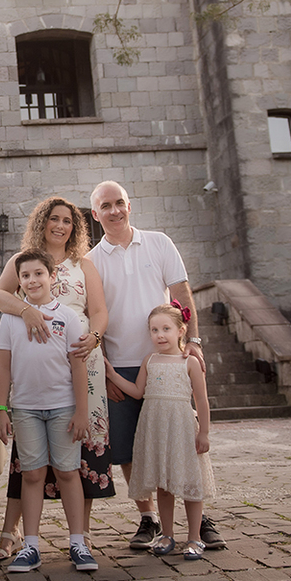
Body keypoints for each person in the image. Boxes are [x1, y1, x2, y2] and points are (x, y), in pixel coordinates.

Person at [85, 180, 225, 551]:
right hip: (122, 367)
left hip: (169, 363)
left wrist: (193, 341)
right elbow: (92, 315)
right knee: (131, 450)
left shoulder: (160, 243)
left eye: (119, 203)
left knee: (182, 444)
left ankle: (198, 519)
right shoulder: (91, 261)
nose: (114, 210)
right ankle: (149, 518)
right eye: (105, 206)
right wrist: (105, 370)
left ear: (129, 206)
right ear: (95, 214)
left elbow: (181, 294)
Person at [0, 197, 112, 561]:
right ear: (42, 222)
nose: (60, 226)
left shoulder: (83, 264)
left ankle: (80, 536)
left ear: (75, 227)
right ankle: (16, 534)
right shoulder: (24, 261)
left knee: (79, 453)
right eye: (54, 219)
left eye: (67, 221)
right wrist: (27, 311)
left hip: (81, 358)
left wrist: (95, 338)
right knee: (29, 460)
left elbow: (99, 311)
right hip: (32, 364)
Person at [105, 302, 216, 560]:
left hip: (182, 428)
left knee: (190, 483)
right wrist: (112, 374)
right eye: (154, 330)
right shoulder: (150, 360)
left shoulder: (189, 362)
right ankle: (167, 534)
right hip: (157, 429)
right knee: (163, 485)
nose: (160, 335)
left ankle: (195, 538)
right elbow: (137, 392)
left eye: (166, 329)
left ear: (181, 330)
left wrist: (204, 433)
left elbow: (201, 400)